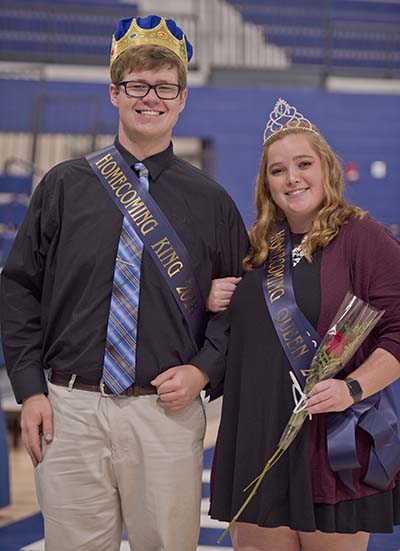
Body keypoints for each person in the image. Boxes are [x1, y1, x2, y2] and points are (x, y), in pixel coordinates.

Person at [0, 14, 248, 551]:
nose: (150, 97)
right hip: (69, 411)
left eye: (165, 86)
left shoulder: (213, 204)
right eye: (137, 84)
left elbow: (238, 307)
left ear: (182, 100)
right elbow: (18, 287)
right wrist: (29, 388)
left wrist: (204, 370)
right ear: (114, 93)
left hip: (164, 413)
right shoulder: (63, 186)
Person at [209, 98, 400, 551]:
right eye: (278, 170)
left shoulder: (365, 239)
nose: (292, 178)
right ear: (266, 183)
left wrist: (352, 388)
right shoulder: (255, 249)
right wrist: (217, 303)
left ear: (327, 170)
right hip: (258, 437)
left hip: (331, 442)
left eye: (303, 164)